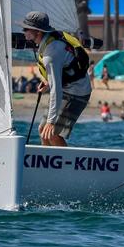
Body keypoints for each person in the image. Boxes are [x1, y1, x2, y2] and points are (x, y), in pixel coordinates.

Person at [20, 11, 92, 147]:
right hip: (67, 88)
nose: (24, 32)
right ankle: (47, 165)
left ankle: (65, 167)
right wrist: (48, 81)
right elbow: (65, 67)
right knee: (42, 131)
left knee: (52, 133)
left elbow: (56, 90)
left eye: (26, 29)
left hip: (77, 93)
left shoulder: (51, 53)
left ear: (38, 32)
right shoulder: (49, 40)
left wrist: (51, 121)